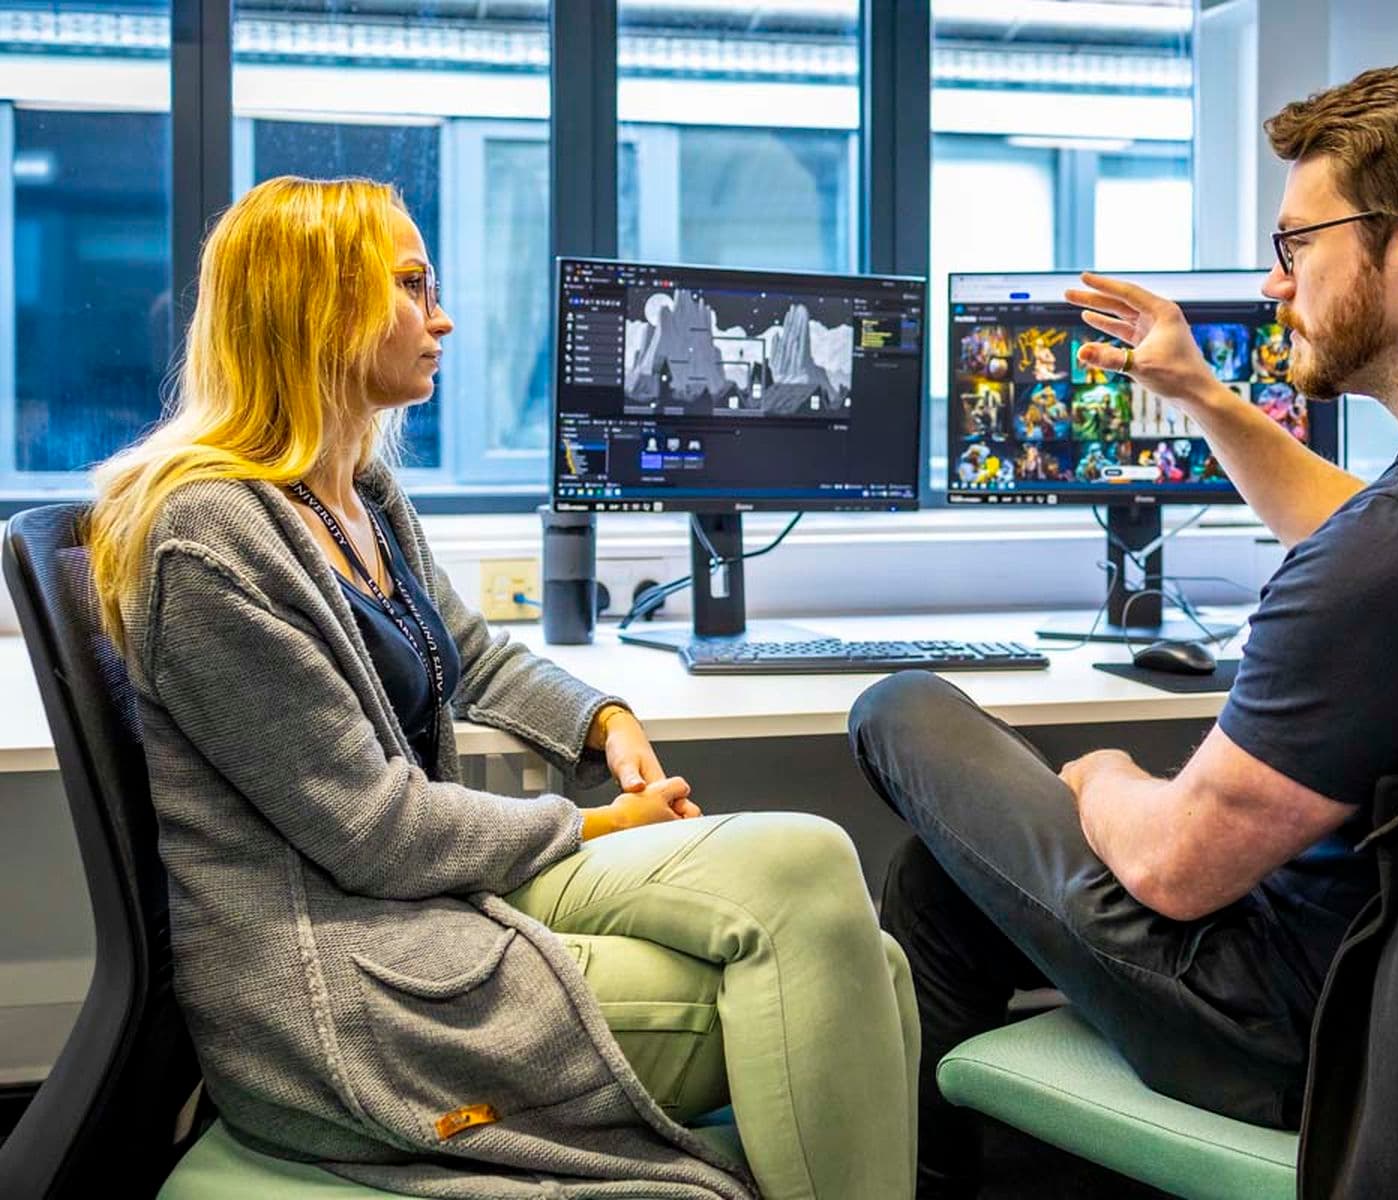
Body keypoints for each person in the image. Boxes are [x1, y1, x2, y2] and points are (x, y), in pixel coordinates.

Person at [849, 53, 1398, 1199]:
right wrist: (1205, 396)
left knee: (902, 707)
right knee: (939, 883)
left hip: (1304, 1022)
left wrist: (1101, 779)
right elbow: (1378, 541)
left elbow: (1173, 867)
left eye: (1297, 246)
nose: (1274, 283)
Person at [87, 176, 918, 1200]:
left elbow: (471, 656)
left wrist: (600, 717)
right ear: (318, 309)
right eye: (409, 287)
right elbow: (377, 831)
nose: (440, 317)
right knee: (838, 930)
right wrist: (598, 827)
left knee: (842, 914)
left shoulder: (361, 497)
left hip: (426, 907)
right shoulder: (210, 541)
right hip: (350, 994)